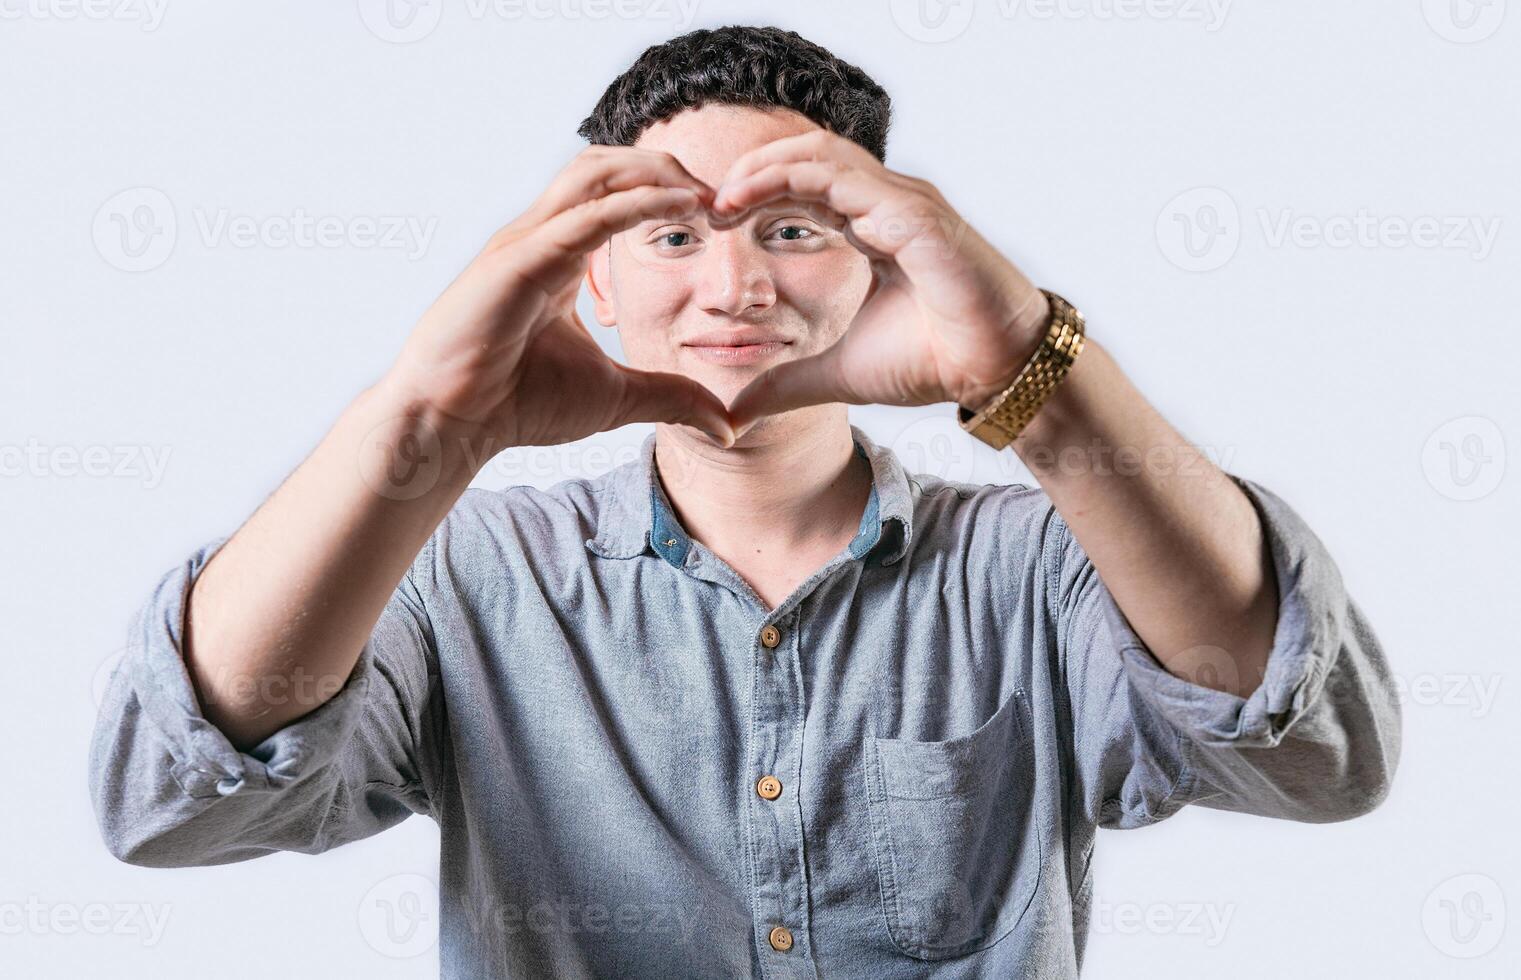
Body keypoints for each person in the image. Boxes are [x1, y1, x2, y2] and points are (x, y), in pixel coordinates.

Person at [88, 25, 1401, 979]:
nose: (731, 290)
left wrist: (1026, 366)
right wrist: (427, 423)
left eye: (789, 227)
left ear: (881, 267)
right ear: (591, 284)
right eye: (670, 234)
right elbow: (171, 799)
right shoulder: (471, 575)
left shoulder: (1035, 566)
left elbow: (1311, 755)